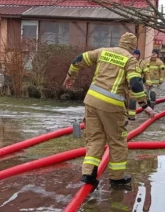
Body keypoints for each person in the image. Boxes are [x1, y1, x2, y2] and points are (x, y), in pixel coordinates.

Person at [63, 32, 155, 188]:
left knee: (94, 139)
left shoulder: (103, 52)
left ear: (120, 42)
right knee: (117, 142)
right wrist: (145, 106)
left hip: (91, 101)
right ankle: (117, 179)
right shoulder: (130, 60)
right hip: (112, 105)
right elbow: (135, 83)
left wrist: (70, 76)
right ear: (133, 47)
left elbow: (78, 59)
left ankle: (88, 174)